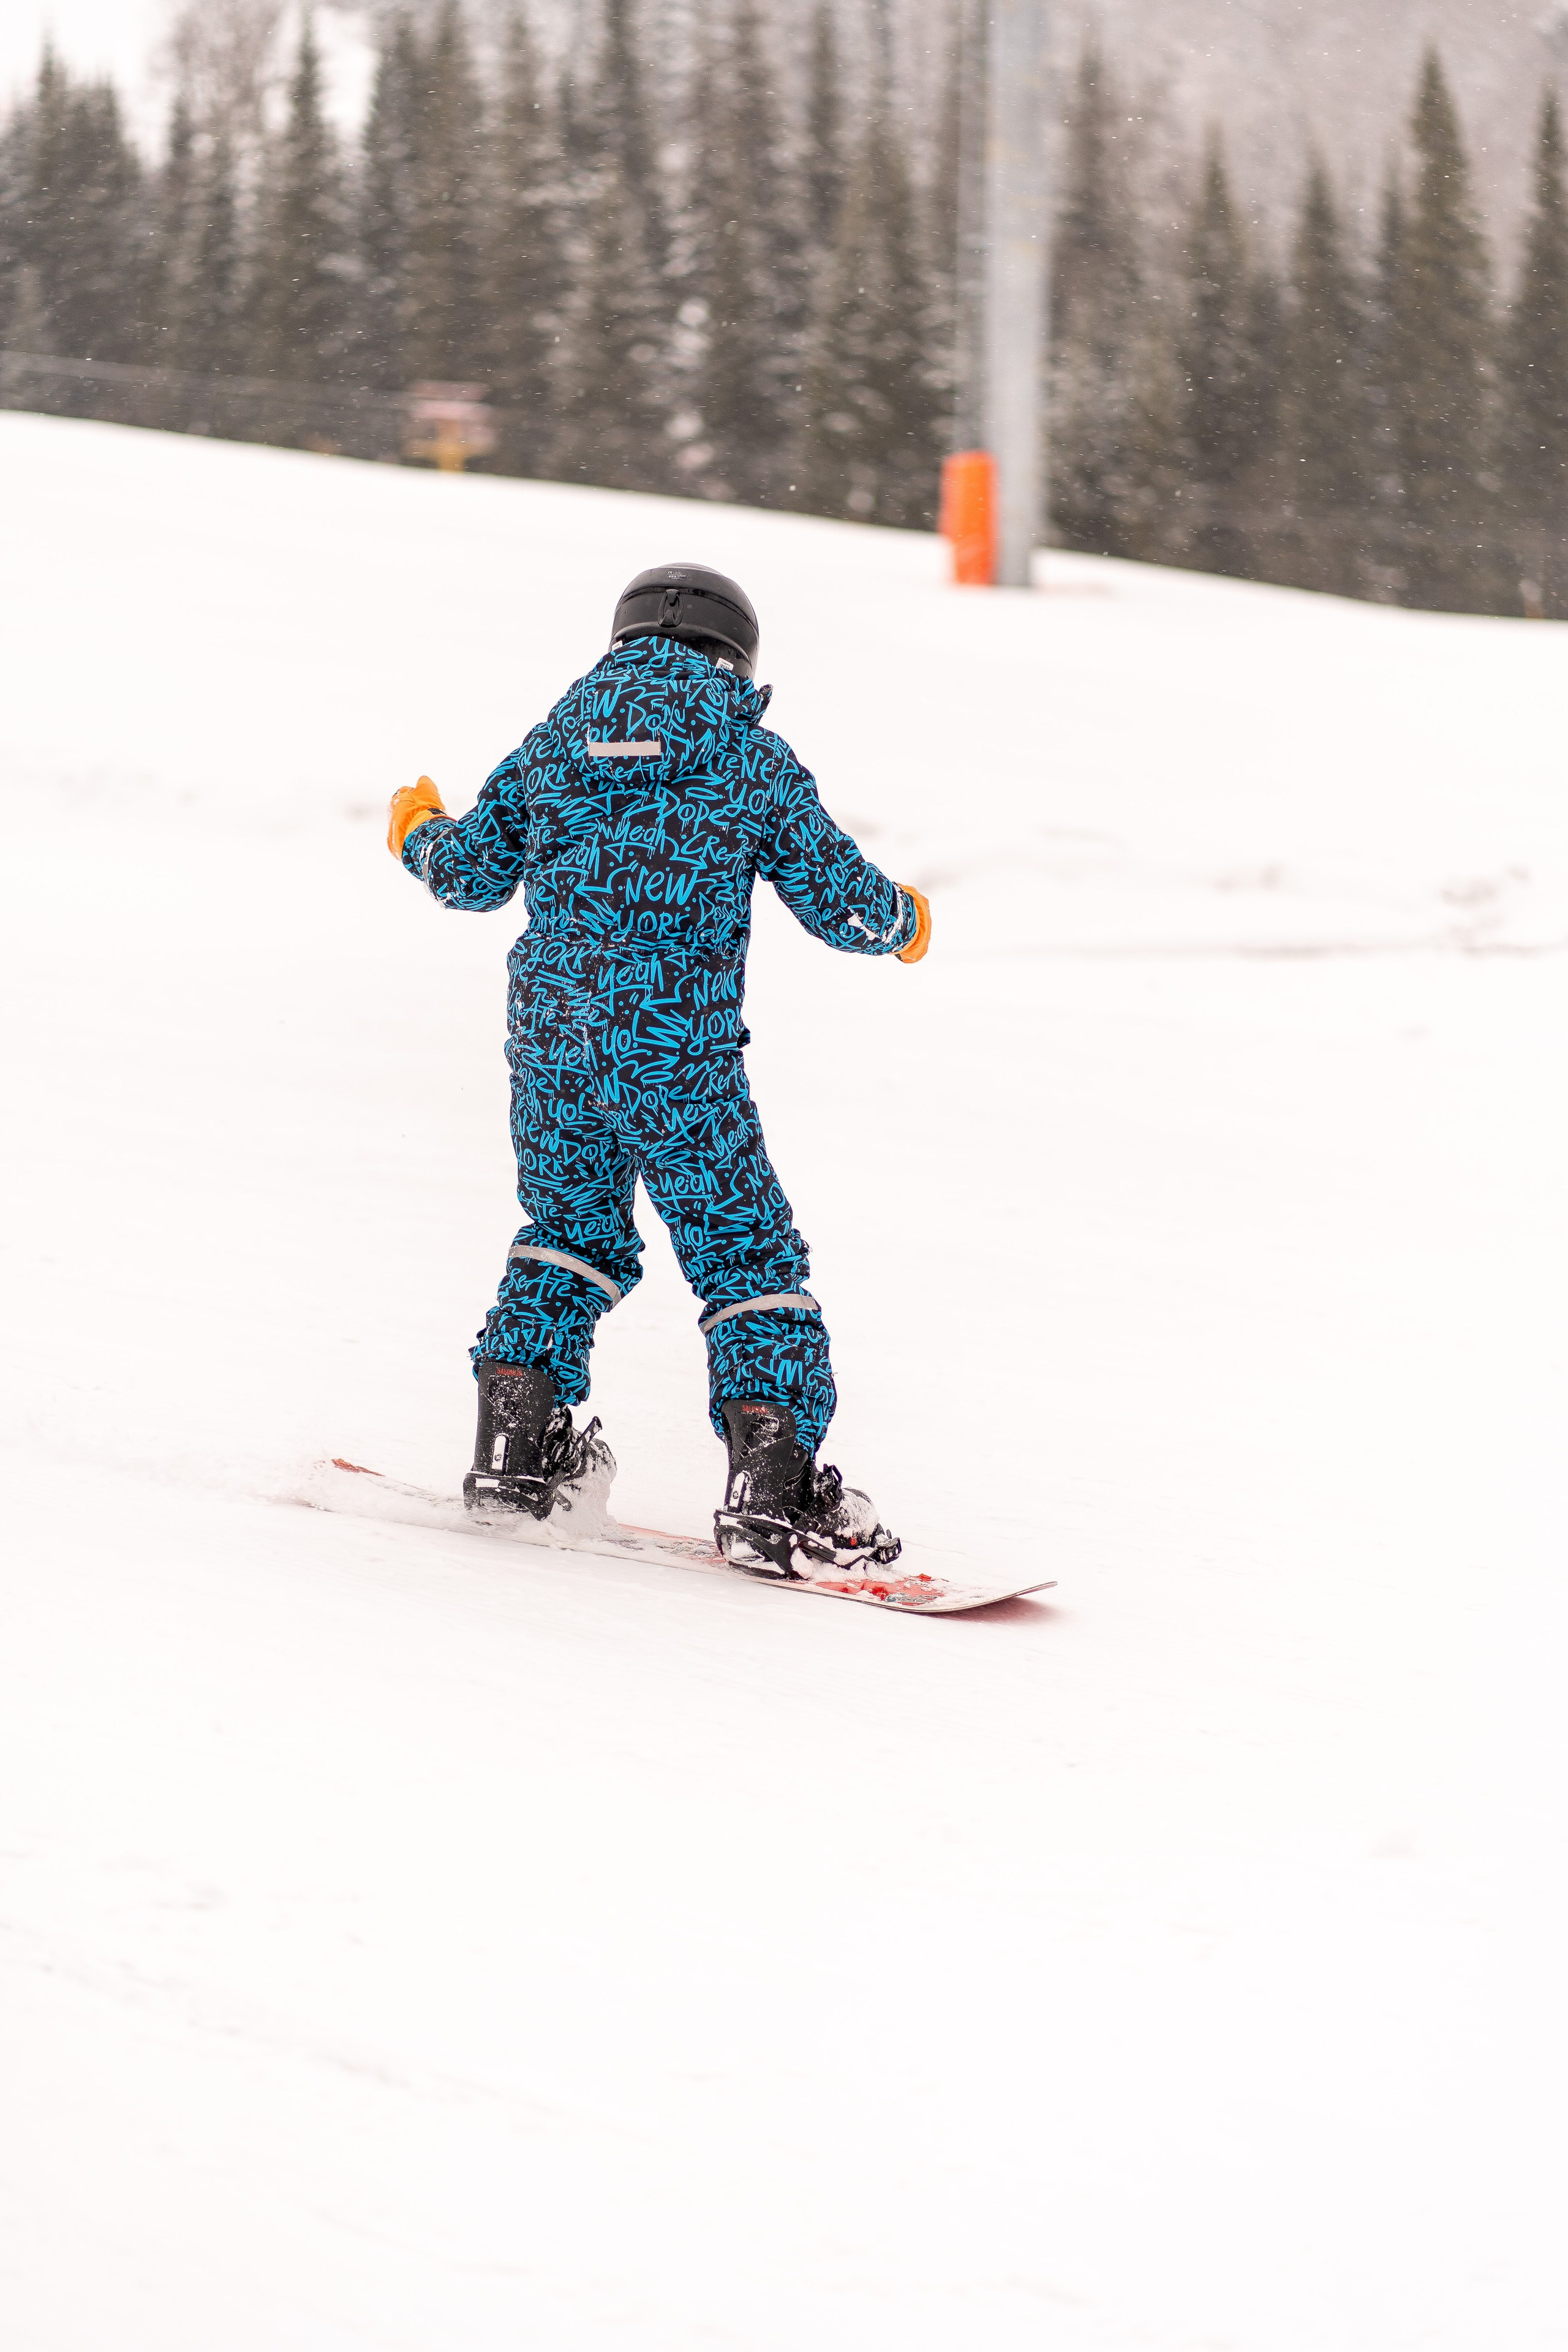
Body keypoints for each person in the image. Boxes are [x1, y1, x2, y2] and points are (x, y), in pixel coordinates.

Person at [386, 563, 930, 1581]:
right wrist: (903, 922)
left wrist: (418, 831)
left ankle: (513, 1457)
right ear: (737, 658)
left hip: (551, 1045)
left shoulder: (554, 744)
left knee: (568, 1236)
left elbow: (467, 874)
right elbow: (839, 900)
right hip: (676, 1057)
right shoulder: (745, 752)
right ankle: (772, 1499)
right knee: (745, 1259)